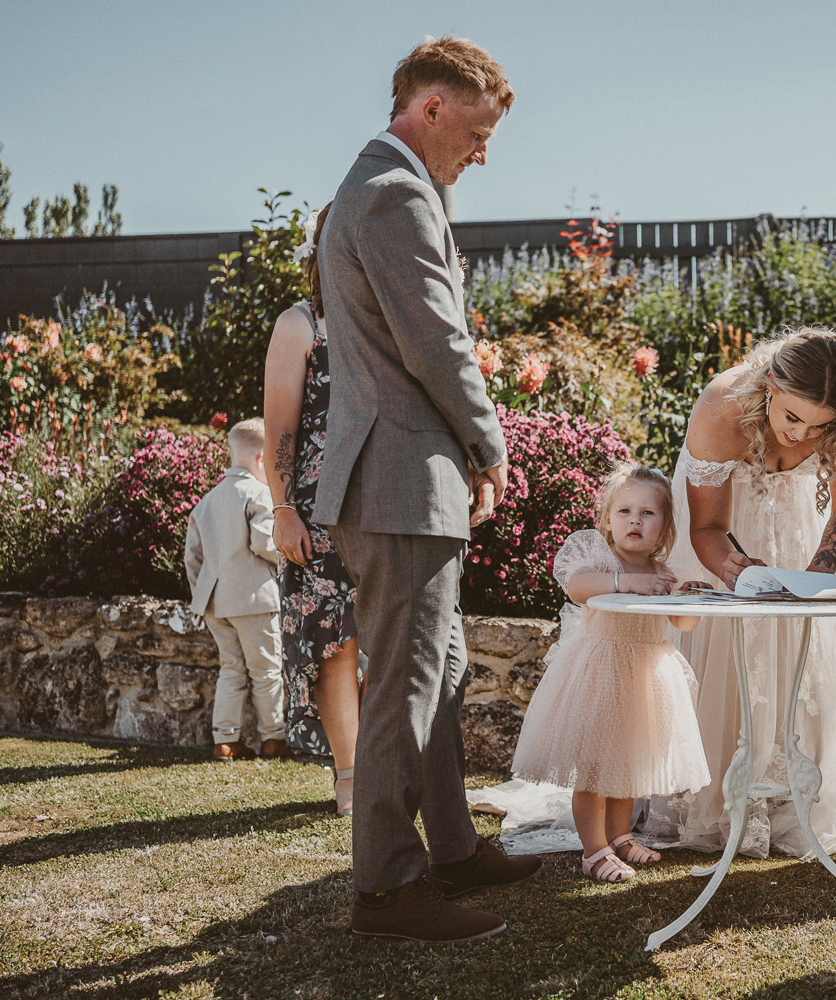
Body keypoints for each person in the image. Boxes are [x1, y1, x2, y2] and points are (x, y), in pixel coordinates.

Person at [313, 35, 540, 943]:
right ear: (431, 109)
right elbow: (437, 344)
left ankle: (452, 847)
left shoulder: (379, 190)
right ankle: (386, 891)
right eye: (478, 132)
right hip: (401, 479)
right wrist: (491, 449)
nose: (483, 152)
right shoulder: (395, 194)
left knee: (436, 672)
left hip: (404, 476)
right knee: (406, 686)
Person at [642, 327, 836, 858]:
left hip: (801, 522)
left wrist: (815, 578)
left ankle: (788, 795)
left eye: (820, 427)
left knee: (806, 650)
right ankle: (718, 795)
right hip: (727, 532)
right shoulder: (723, 406)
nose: (801, 437)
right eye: (792, 417)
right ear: (771, 385)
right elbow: (707, 528)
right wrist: (738, 574)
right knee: (727, 653)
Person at [511, 464, 711, 882]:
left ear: (665, 526)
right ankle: (594, 850)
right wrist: (625, 583)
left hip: (646, 680)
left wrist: (689, 599)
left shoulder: (663, 574)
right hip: (599, 674)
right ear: (607, 520)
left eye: (647, 513)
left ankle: (620, 836)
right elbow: (578, 588)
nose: (634, 520)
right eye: (624, 511)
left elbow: (684, 625)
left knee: (628, 764)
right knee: (594, 768)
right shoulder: (599, 561)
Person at [263, 202, 362, 817]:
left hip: (383, 508)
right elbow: (281, 428)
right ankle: (350, 775)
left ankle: (381, 768)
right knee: (334, 645)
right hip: (318, 515)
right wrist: (283, 510)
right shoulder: (300, 324)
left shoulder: (383, 317)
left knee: (386, 645)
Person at [184, 417, 289, 761]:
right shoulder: (259, 492)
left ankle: (226, 740)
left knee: (231, 668)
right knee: (266, 669)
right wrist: (289, 559)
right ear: (262, 459)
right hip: (254, 597)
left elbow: (192, 558)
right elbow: (264, 542)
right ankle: (273, 740)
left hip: (215, 602)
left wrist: (201, 598)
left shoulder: (206, 501)